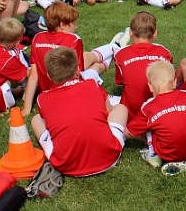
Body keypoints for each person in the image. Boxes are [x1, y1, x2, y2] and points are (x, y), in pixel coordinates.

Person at [31, 46, 128, 177]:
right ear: (78, 70)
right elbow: (108, 111)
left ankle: (64, 147)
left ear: (48, 75)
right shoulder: (92, 84)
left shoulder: (42, 98)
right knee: (120, 108)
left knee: (36, 119)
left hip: (65, 166)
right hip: (109, 158)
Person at [21, 2, 117, 116]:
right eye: (73, 23)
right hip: (71, 88)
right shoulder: (74, 40)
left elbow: (33, 75)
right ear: (62, 25)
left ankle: (111, 50)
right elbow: (78, 73)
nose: (76, 26)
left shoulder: (37, 38)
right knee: (91, 66)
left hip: (49, 89)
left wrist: (26, 108)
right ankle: (114, 47)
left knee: (88, 58)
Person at [125, 60, 186, 176]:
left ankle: (153, 155)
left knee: (149, 124)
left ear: (150, 86)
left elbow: (128, 132)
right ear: (175, 82)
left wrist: (144, 140)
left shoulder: (148, 106)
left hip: (167, 154)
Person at [114, 11, 173, 120]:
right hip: (162, 113)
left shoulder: (120, 55)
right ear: (155, 33)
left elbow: (120, 82)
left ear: (130, 33)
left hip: (131, 116)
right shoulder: (165, 53)